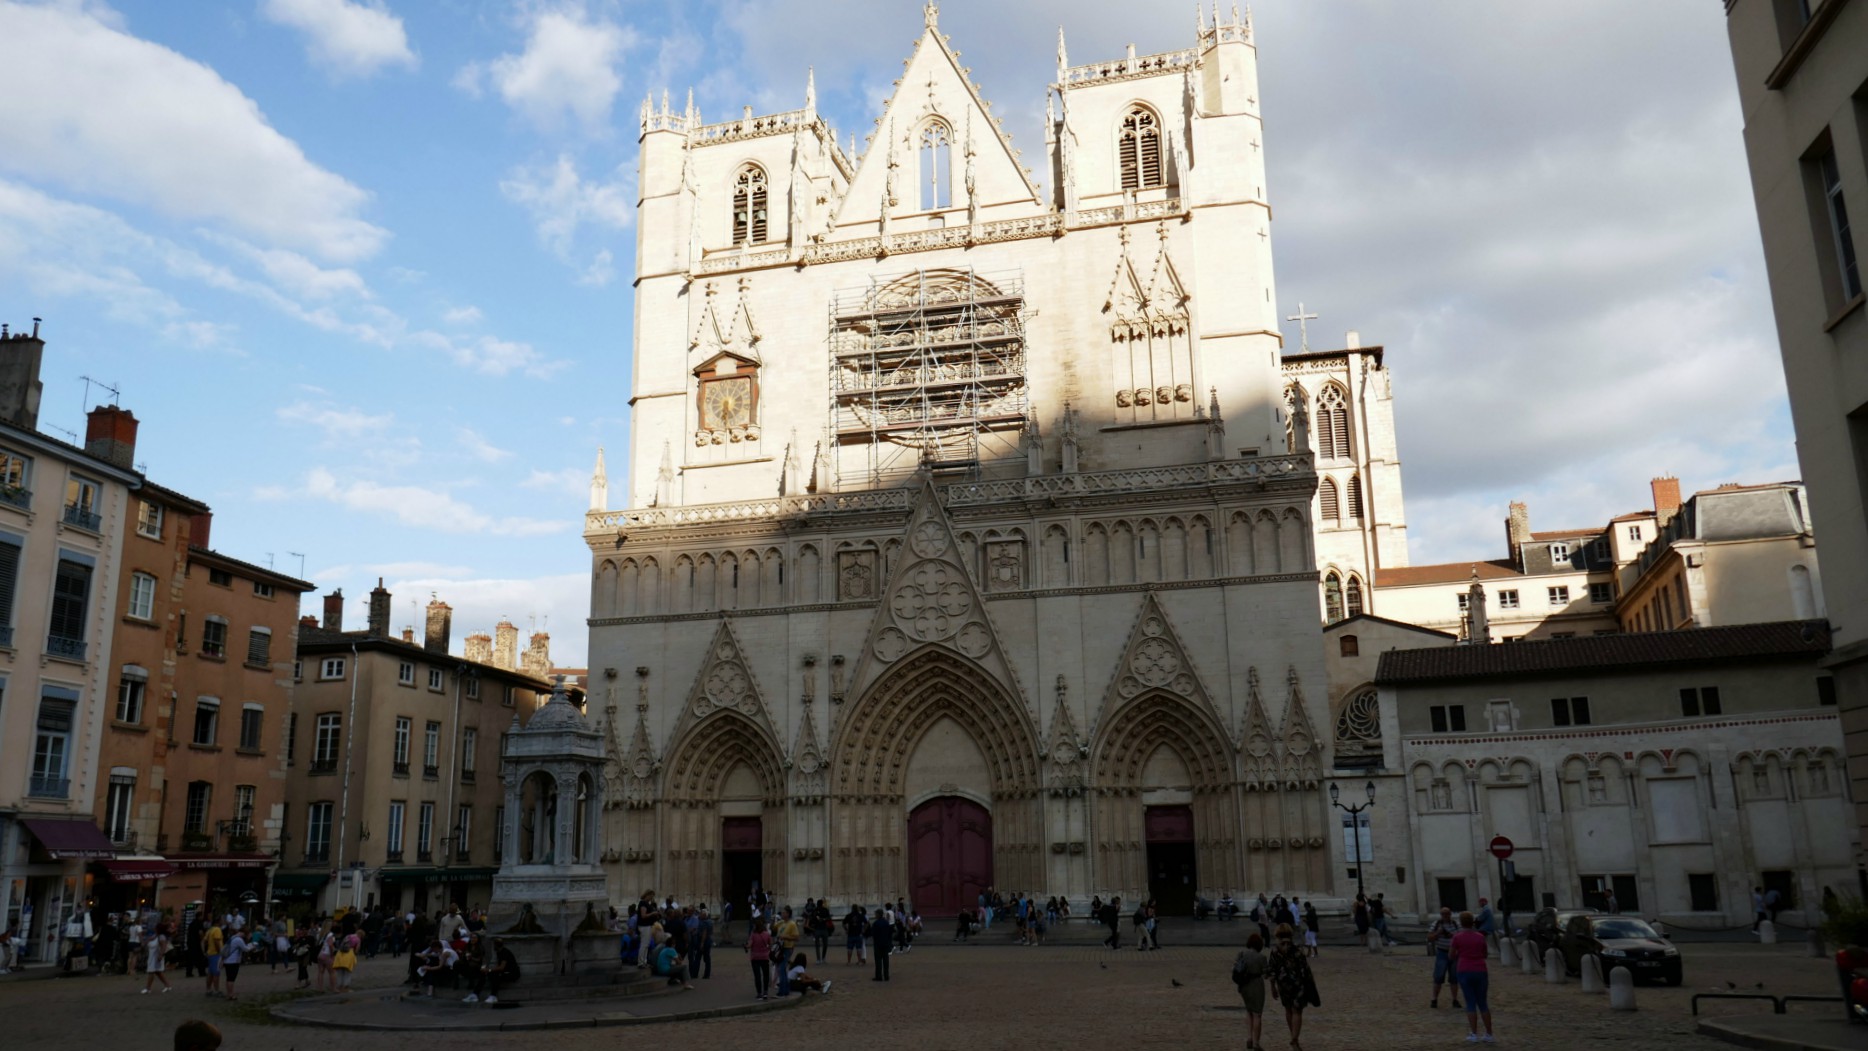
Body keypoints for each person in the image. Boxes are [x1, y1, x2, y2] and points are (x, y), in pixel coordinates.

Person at [1267, 923, 1318, 1051]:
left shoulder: (1275, 951)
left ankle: (1293, 1037)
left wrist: (1272, 987)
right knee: (1297, 1011)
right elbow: (1305, 969)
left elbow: (1271, 971)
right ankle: (1294, 1039)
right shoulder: (1296, 950)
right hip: (1298, 984)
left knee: (1288, 1010)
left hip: (1283, 984)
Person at [1450, 910, 1495, 1043]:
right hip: (1480, 969)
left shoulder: (1457, 937)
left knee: (1470, 1002)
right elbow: (1485, 954)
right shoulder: (1480, 936)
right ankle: (1489, 1033)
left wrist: (1461, 955)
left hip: (1464, 969)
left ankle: (1474, 1033)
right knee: (1483, 1003)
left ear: (1461, 922)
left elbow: (1451, 955)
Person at [1232, 932, 1269, 1051]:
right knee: (1257, 1014)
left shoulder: (1241, 954)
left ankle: (1249, 1038)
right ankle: (1256, 1043)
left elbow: (1235, 967)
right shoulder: (1261, 957)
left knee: (1248, 1011)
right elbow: (1266, 974)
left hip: (1244, 985)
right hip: (1256, 985)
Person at [1427, 906, 1463, 1010]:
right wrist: (1438, 933)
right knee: (1438, 976)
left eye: (1447, 914)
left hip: (1455, 953)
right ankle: (1434, 998)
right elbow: (1429, 937)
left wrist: (1451, 935)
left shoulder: (1456, 924)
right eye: (1443, 914)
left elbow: (1461, 937)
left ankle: (1455, 999)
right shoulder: (1436, 924)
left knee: (1454, 978)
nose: (1445, 916)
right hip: (1442, 952)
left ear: (1450, 914)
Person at [468, 937, 520, 1003]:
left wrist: (489, 970)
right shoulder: (499, 952)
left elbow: (501, 967)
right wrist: (488, 970)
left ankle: (493, 996)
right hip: (505, 972)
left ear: (495, 945)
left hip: (512, 973)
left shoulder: (504, 952)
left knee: (496, 976)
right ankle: (475, 994)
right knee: (487, 975)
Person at [746, 919, 774, 1001]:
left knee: (757, 976)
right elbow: (771, 944)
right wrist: (767, 949)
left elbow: (750, 945)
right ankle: (765, 992)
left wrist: (746, 946)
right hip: (765, 957)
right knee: (765, 975)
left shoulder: (753, 935)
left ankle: (759, 993)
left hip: (755, 957)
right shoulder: (767, 934)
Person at [142, 923, 173, 994]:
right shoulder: (156, 935)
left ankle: (148, 988)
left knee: (151, 971)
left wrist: (160, 955)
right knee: (158, 972)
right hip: (153, 955)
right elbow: (148, 941)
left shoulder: (161, 936)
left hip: (156, 956)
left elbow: (163, 946)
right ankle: (167, 985)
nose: (154, 929)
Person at [201, 915, 224, 997]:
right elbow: (217, 941)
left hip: (210, 953)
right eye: (222, 920)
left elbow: (203, 941)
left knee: (210, 973)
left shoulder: (210, 930)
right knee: (216, 973)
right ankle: (216, 990)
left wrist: (204, 951)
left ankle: (208, 989)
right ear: (218, 922)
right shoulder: (217, 930)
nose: (223, 922)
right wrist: (220, 952)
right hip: (216, 954)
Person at [221, 928, 246, 1002]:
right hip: (233, 961)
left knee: (228, 978)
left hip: (227, 961)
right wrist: (252, 946)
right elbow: (245, 948)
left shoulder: (232, 938)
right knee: (232, 979)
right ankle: (231, 994)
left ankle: (229, 993)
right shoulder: (239, 940)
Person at [689, 906, 714, 980]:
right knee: (706, 959)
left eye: (700, 914)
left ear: (704, 915)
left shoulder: (703, 923)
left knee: (698, 958)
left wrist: (702, 943)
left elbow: (704, 933)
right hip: (708, 941)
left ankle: (695, 974)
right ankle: (706, 974)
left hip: (703, 941)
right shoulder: (709, 922)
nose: (699, 915)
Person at [871, 904, 893, 981]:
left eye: (876, 914)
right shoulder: (886, 923)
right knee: (886, 960)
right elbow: (889, 933)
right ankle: (886, 976)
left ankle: (879, 976)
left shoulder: (876, 923)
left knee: (878, 961)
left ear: (878, 914)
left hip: (878, 944)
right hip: (885, 943)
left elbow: (873, 934)